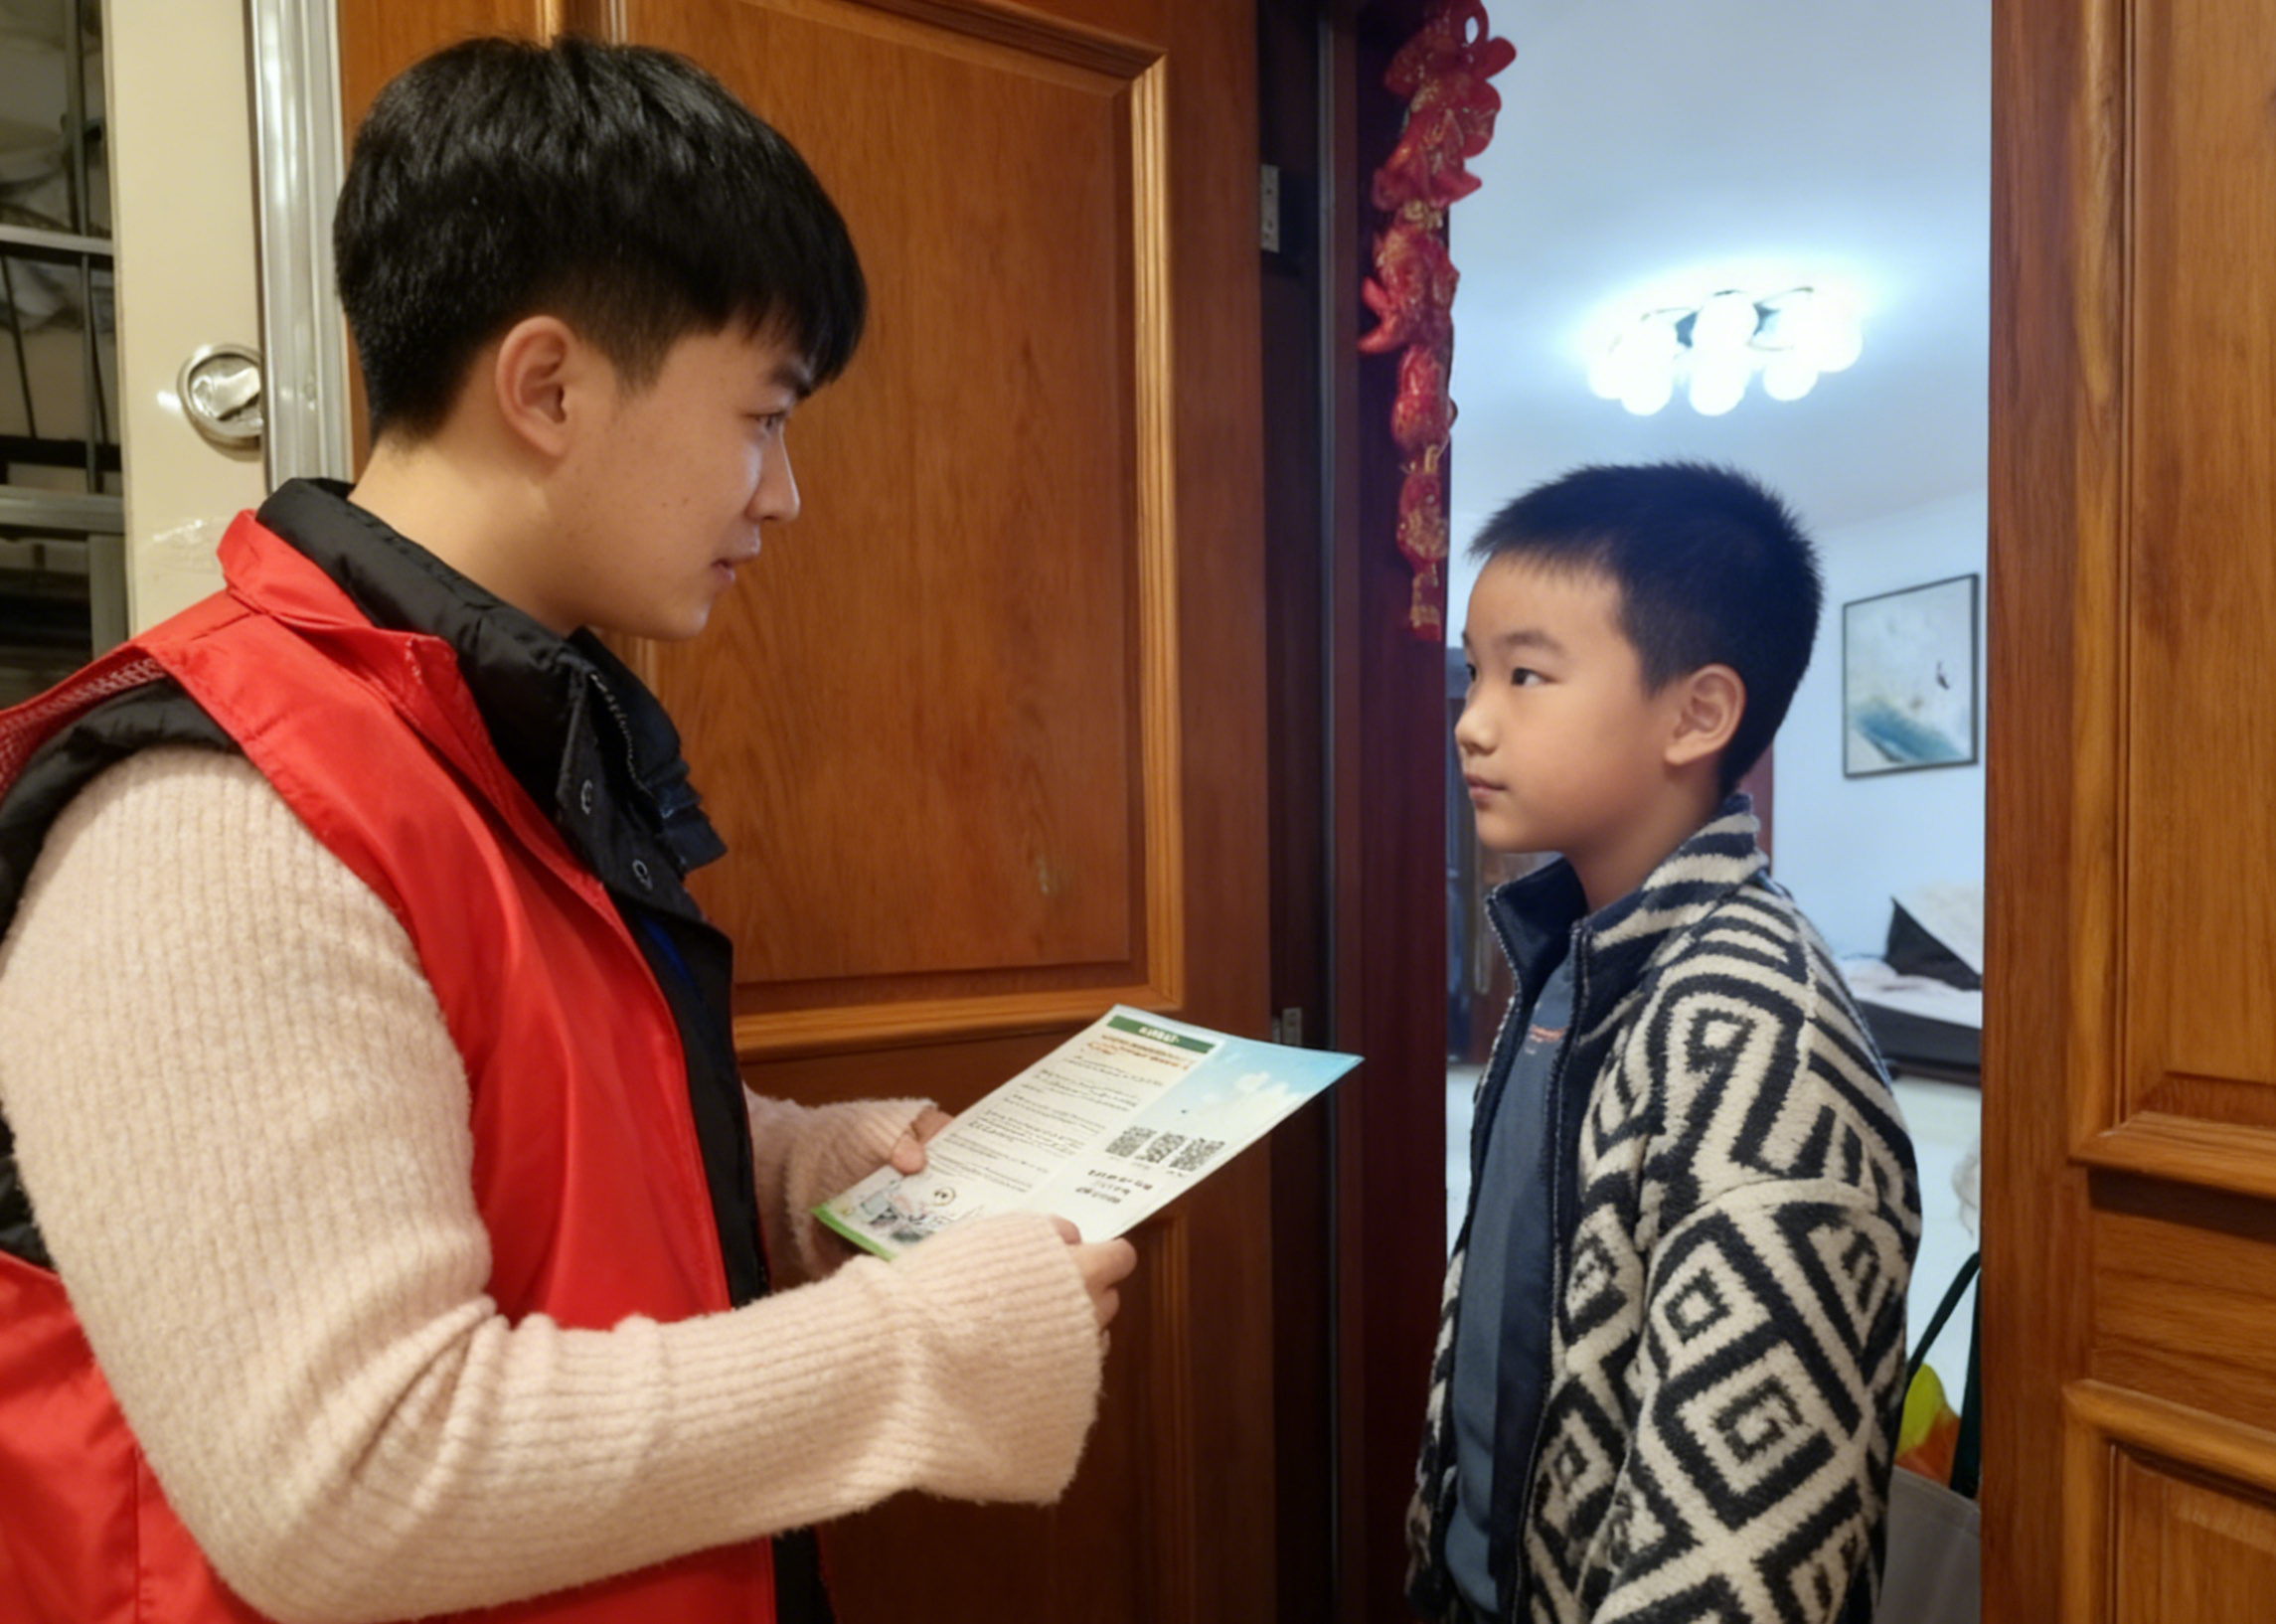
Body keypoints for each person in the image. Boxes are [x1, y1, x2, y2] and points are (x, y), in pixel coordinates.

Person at [0, 35, 1133, 1624]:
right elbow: (348, 1481)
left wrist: (796, 1175)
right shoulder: (214, 813)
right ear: (545, 386)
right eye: (762, 416)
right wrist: (924, 1346)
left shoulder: (486, 730)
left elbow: (522, 1125)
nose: (783, 493)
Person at [1406, 463, 1920, 1624]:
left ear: (1696, 714)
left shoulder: (1765, 1041)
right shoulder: (1572, 955)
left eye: (1526, 674)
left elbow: (1744, 1560)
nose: (1471, 720)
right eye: (1477, 672)